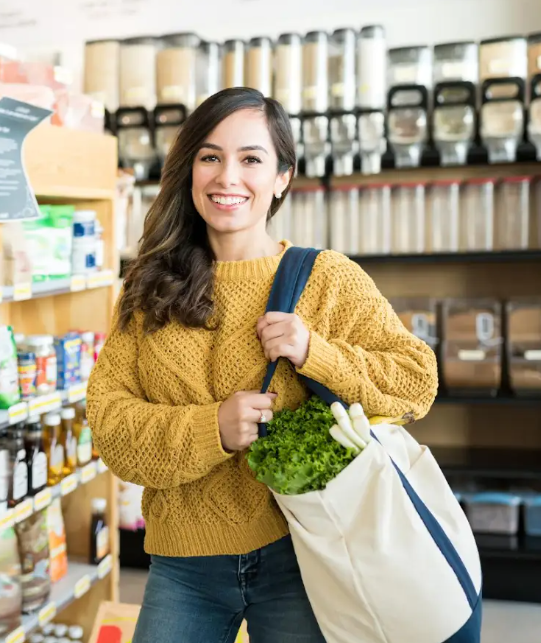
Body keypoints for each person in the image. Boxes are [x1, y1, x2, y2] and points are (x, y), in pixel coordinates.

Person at [86, 87, 438, 643]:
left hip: (306, 555)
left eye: (251, 159)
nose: (228, 177)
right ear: (189, 170)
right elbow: (110, 428)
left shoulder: (326, 278)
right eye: (210, 157)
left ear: (281, 178)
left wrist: (315, 353)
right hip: (184, 565)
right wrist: (213, 428)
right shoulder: (148, 287)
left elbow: (416, 382)